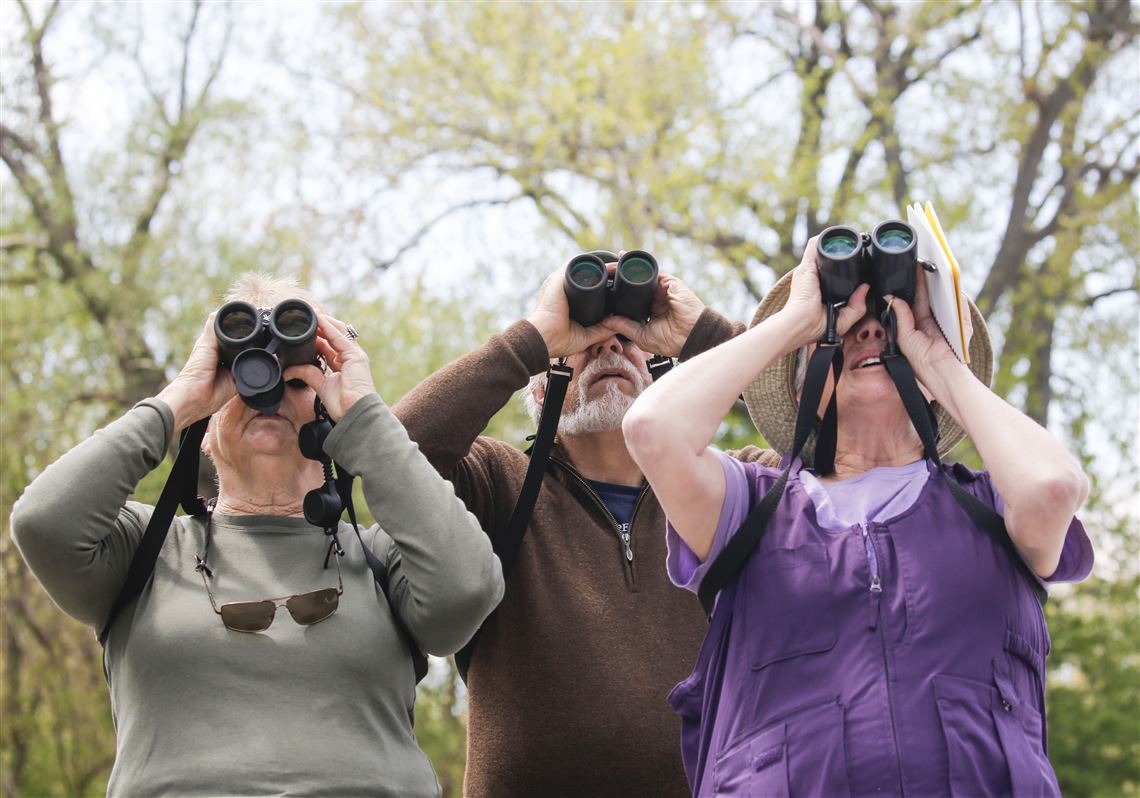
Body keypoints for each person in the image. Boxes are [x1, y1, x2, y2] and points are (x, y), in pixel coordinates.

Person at [622, 239, 1094, 796]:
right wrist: (800, 318)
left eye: (889, 324)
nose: (870, 332)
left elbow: (1056, 486)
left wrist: (939, 359)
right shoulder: (748, 507)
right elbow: (651, 429)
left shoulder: (996, 509)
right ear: (804, 389)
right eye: (844, 330)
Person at [10, 274, 504, 797]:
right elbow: (43, 524)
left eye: (298, 382)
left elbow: (468, 585)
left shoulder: (380, 557)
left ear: (328, 423)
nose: (269, 397)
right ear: (204, 428)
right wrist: (182, 398)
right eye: (246, 376)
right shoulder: (143, 549)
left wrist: (363, 413)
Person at [393, 255, 770, 797]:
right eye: (584, 343)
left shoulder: (730, 487)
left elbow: (835, 451)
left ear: (666, 375)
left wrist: (705, 339)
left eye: (631, 340)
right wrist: (535, 337)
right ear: (541, 388)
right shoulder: (502, 484)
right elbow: (394, 451)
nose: (610, 346)